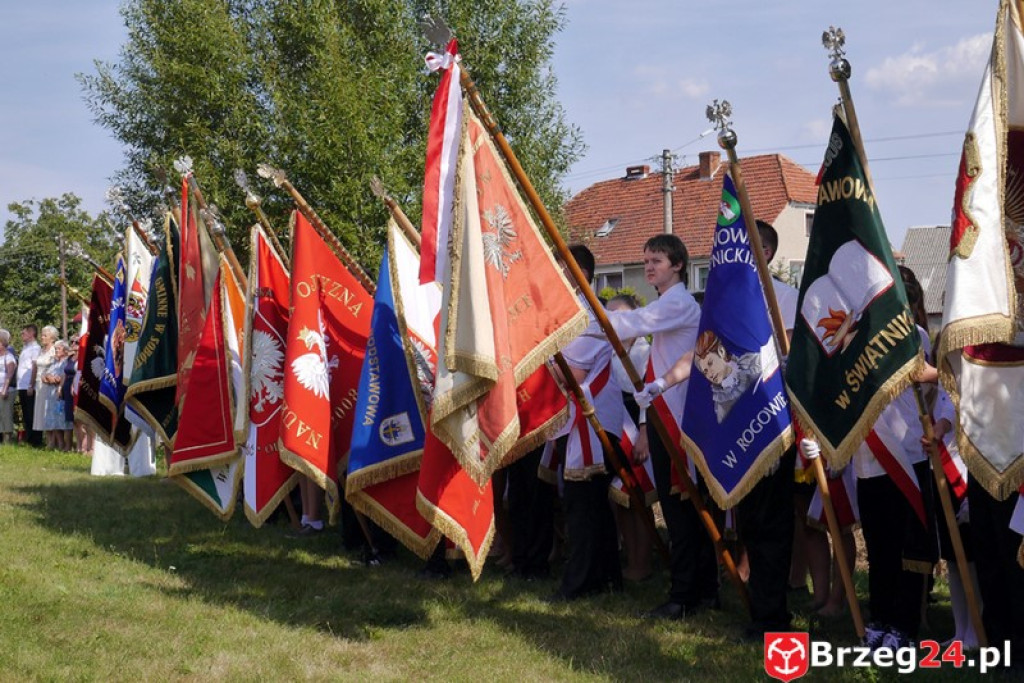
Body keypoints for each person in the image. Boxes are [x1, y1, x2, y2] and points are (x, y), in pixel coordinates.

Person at [588, 234, 719, 619]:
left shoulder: (677, 302)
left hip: (680, 417)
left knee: (683, 508)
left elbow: (629, 323)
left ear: (678, 265)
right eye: (645, 260)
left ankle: (686, 595)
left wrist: (580, 316)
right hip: (664, 413)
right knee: (684, 507)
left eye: (657, 261)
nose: (648, 267)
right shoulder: (667, 303)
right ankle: (700, 589)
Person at [547, 245, 624, 602]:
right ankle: (605, 576)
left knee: (582, 504)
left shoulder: (587, 315)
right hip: (577, 421)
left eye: (559, 266)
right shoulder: (570, 311)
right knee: (590, 504)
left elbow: (573, 374)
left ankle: (578, 583)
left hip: (590, 423)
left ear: (577, 271)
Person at [606, 293, 655, 583]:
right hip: (614, 430)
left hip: (639, 429)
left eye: (621, 315)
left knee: (640, 499)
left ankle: (643, 562)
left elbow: (650, 398)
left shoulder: (647, 352)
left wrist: (645, 435)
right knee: (620, 497)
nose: (614, 321)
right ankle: (630, 557)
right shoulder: (606, 351)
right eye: (610, 315)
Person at [31, 326, 58, 449]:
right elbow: (35, 367)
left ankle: (53, 441)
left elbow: (57, 367)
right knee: (41, 411)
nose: (42, 337)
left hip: (49, 384)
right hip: (39, 383)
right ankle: (47, 440)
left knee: (49, 411)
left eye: (45, 335)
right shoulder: (41, 350)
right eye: (42, 335)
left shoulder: (54, 350)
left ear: (52, 338)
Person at [16, 324, 41, 446]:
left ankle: (35, 440)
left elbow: (34, 367)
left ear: (31, 334)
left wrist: (31, 384)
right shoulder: (25, 348)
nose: (22, 335)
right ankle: (29, 438)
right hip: (22, 385)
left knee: (31, 413)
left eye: (24, 333)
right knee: (26, 413)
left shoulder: (35, 349)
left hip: (29, 386)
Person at [0, 329, 17, 444]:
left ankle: (8, 440)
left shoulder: (9, 357)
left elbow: (9, 374)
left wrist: (4, 389)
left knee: (6, 414)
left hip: (6, 390)